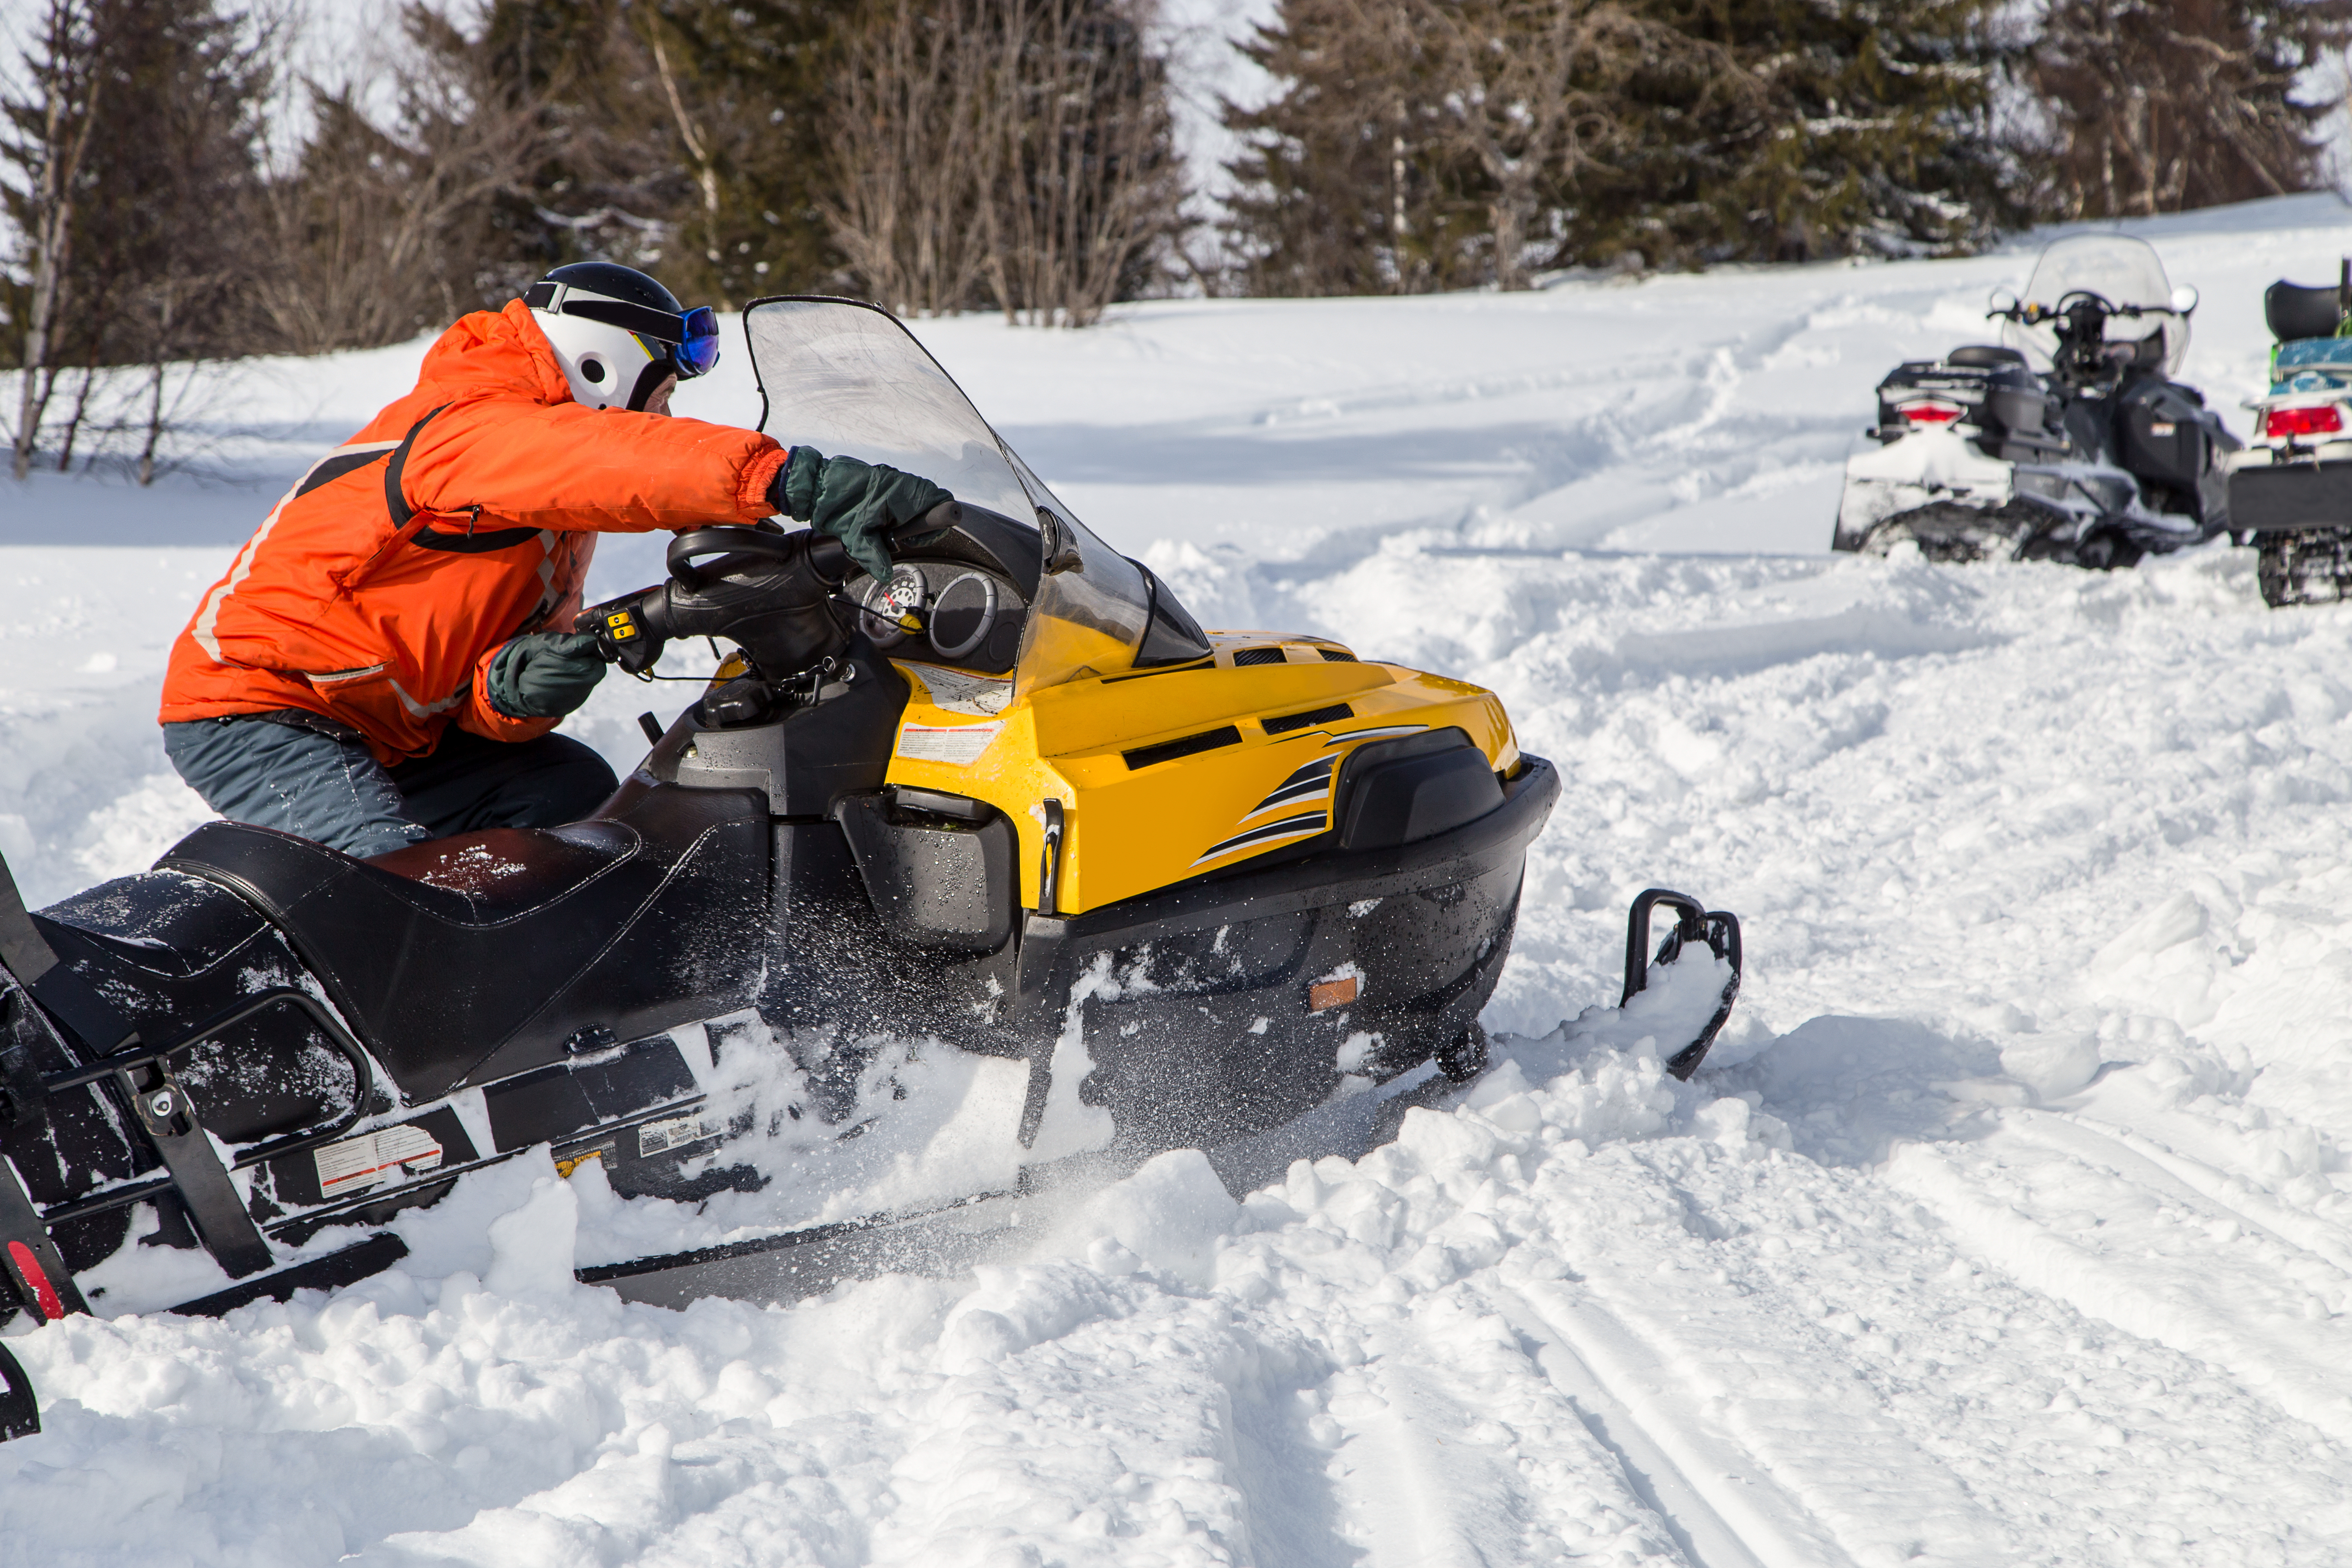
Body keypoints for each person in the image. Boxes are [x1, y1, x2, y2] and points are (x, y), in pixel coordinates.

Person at [159, 261, 948, 859]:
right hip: (261, 710)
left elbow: (480, 689)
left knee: (566, 794)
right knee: (390, 899)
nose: (668, 415)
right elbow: (621, 464)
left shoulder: (547, 496)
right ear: (600, 364)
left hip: (390, 732)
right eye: (663, 391)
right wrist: (788, 479)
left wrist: (511, 692)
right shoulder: (470, 426)